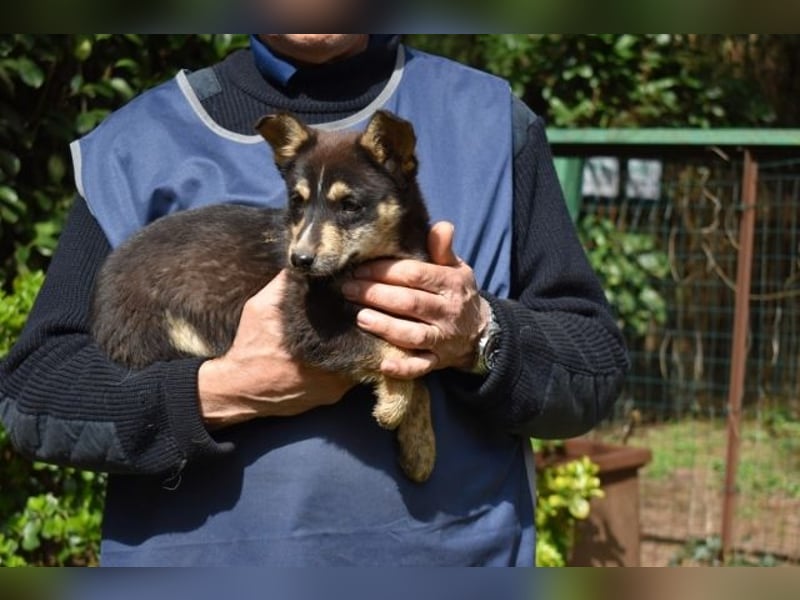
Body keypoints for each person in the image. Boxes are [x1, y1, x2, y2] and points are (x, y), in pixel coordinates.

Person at [0, 34, 628, 566]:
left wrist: (480, 337)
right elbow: (34, 396)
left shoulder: (491, 124)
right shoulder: (135, 147)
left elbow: (593, 368)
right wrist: (216, 391)